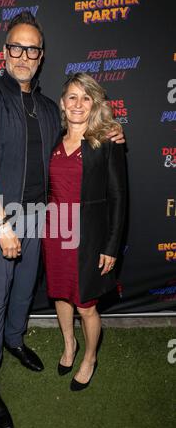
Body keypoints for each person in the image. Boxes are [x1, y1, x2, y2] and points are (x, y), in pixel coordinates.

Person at [0, 12, 125, 428]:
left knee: (25, 288)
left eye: (32, 49)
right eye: (16, 47)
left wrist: (111, 130)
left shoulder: (51, 108)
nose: (23, 55)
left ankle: (15, 340)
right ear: (4, 52)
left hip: (44, 217)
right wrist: (1, 223)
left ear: (41, 56)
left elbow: (76, 143)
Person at [42, 73, 127, 391]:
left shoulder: (106, 142)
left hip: (89, 238)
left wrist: (111, 245)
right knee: (60, 296)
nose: (78, 104)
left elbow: (119, 197)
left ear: (94, 104)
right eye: (72, 97)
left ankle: (90, 358)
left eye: (85, 97)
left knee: (85, 305)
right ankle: (69, 345)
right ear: (62, 104)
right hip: (55, 232)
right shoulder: (52, 139)